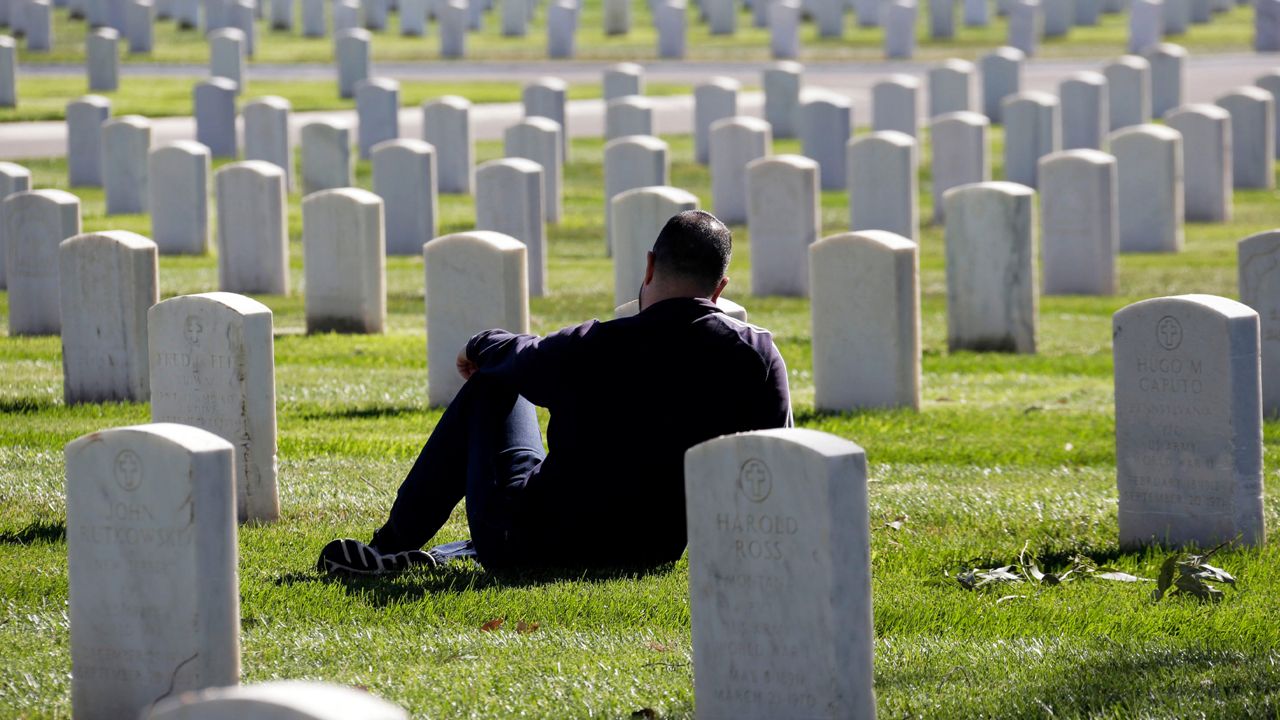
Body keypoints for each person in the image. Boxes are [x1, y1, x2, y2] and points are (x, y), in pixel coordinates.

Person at [318, 210, 792, 575]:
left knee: (492, 382)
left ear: (649, 267)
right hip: (652, 548)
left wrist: (479, 345)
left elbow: (520, 356)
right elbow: (781, 463)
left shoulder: (596, 344)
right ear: (720, 288)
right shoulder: (757, 355)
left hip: (530, 543)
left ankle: (391, 545)